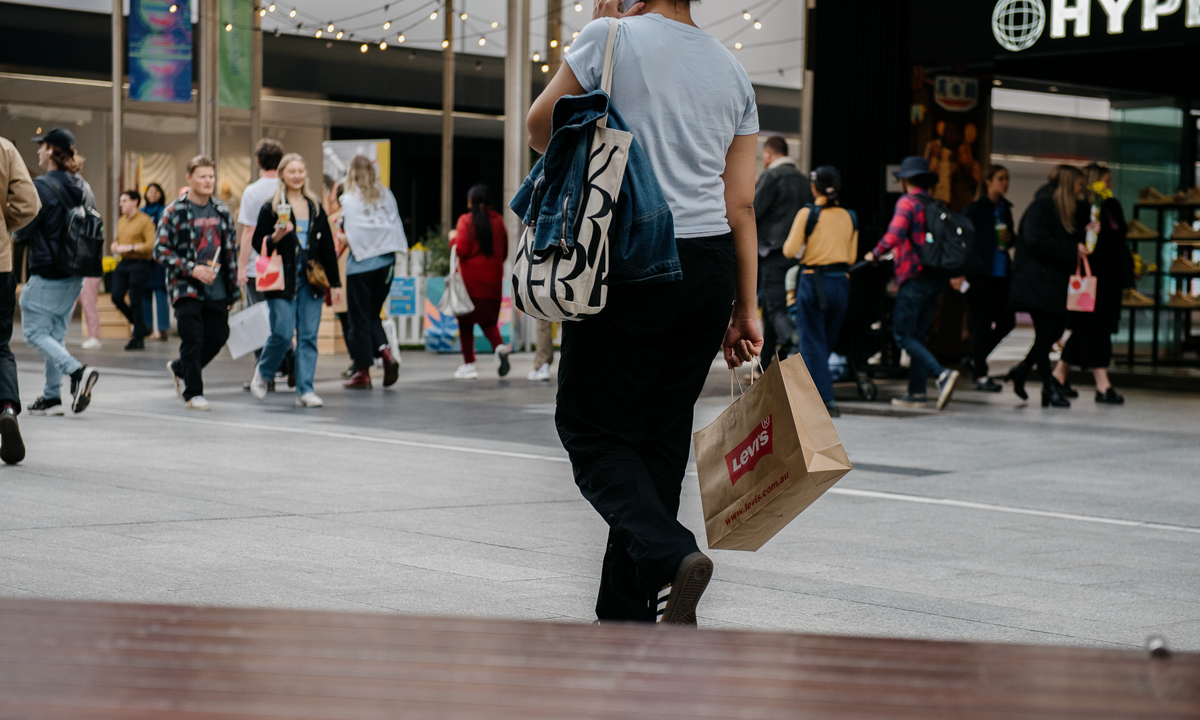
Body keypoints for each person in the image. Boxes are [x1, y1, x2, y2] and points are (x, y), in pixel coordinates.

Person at [527, 0, 763, 626]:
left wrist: (600, 36)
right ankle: (628, 614)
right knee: (658, 440)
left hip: (631, 253)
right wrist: (747, 307)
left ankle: (670, 553)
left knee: (592, 431)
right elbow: (740, 204)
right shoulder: (732, 71)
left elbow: (538, 127)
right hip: (709, 268)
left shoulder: (611, 37)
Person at [865, 157, 960, 411]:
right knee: (918, 335)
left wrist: (875, 253)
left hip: (914, 277)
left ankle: (942, 374)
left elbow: (894, 235)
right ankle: (917, 392)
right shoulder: (935, 204)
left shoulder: (907, 202)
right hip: (935, 278)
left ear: (906, 180)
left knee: (902, 334)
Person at [18, 127, 100, 416]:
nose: (39, 151)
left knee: (33, 333)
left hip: (48, 271)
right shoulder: (85, 187)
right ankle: (52, 396)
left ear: (51, 150)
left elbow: (22, 230)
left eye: (42, 147)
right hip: (75, 274)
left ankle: (77, 372)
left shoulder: (42, 187)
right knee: (54, 334)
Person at [249, 153, 342, 408]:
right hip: (281, 278)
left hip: (310, 280)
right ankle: (264, 372)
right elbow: (259, 243)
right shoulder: (271, 206)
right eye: (292, 171)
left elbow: (326, 251)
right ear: (282, 174)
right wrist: (276, 237)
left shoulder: (315, 207)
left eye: (301, 170)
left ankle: (305, 389)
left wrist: (335, 285)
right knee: (281, 332)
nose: (297, 176)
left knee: (309, 336)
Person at [155, 155, 240, 411]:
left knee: (218, 334)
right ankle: (194, 392)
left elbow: (230, 253)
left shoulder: (222, 211)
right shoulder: (174, 211)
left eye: (211, 176)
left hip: (218, 288)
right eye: (202, 176)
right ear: (189, 178)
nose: (208, 181)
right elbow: (160, 250)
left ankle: (181, 368)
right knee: (191, 338)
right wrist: (193, 269)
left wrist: (233, 290)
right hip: (186, 287)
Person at [1006, 165, 1094, 408]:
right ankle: (1048, 386)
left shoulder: (1070, 212)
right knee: (1045, 335)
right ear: (1067, 184)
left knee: (1054, 333)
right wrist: (1071, 248)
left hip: (1054, 284)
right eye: (1077, 183)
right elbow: (1035, 241)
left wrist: (1086, 235)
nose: (1081, 188)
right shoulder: (1041, 208)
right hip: (1036, 282)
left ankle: (1023, 370)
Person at [1051, 163, 1133, 405]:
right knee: (1093, 328)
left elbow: (1120, 240)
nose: (1109, 185)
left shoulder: (1111, 206)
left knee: (1088, 329)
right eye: (1105, 180)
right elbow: (1081, 241)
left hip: (1109, 279)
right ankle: (1102, 383)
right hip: (1090, 279)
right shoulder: (1083, 208)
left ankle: (1059, 374)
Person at [782, 165, 857, 417]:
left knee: (812, 342)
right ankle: (810, 396)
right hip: (841, 283)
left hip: (814, 281)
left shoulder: (807, 213)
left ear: (814, 187)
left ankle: (826, 400)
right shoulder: (850, 216)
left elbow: (789, 251)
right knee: (823, 344)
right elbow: (852, 255)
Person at [339, 157, 404, 390]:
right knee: (372, 314)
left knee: (358, 319)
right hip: (386, 264)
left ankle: (363, 371)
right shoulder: (385, 194)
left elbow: (346, 235)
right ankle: (386, 354)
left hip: (361, 266)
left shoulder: (348, 199)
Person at [754, 136, 811, 369]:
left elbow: (753, 211)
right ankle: (765, 365)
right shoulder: (803, 180)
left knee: (775, 308)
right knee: (771, 307)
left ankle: (796, 343)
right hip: (797, 253)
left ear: (768, 154)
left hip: (773, 251)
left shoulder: (771, 176)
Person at [0, 134, 40, 462]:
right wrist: (4, 225)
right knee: (0, 346)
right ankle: (7, 408)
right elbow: (29, 202)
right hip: (0, 266)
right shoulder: (4, 147)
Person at [238, 138, 288, 392]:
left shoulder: (253, 191)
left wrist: (241, 267)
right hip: (285, 263)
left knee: (258, 318)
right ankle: (286, 364)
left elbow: (249, 232)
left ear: (257, 161)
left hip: (260, 264)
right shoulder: (288, 187)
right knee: (283, 316)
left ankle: (263, 374)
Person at [962, 165, 1017, 392]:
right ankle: (981, 373)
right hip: (980, 273)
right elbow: (965, 243)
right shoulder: (974, 210)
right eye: (1000, 178)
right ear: (988, 181)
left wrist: (1010, 237)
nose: (1005, 183)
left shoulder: (1005, 209)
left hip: (1002, 273)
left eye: (1007, 178)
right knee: (981, 323)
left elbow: (1010, 241)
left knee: (1007, 321)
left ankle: (976, 358)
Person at [450, 184, 510, 380]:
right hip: (493, 283)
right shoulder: (499, 221)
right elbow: (504, 252)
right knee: (488, 321)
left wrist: (452, 240)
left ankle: (468, 364)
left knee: (466, 322)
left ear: (471, 201)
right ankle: (499, 347)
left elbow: (462, 250)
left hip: (470, 283)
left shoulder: (465, 221)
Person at [110, 189, 157, 350]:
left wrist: (129, 247)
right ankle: (141, 327)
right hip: (124, 262)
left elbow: (151, 246)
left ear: (135, 202)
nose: (120, 204)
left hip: (140, 263)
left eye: (124, 201)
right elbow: (118, 239)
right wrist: (115, 244)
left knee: (136, 299)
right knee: (116, 296)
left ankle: (138, 338)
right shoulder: (122, 220)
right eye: (120, 201)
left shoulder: (145, 221)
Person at [140, 182, 171, 341]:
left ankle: (163, 329)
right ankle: (147, 328)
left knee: (160, 292)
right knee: (145, 293)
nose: (152, 194)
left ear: (161, 193)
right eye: (150, 191)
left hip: (159, 257)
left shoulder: (165, 210)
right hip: (144, 258)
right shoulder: (141, 212)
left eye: (156, 191)